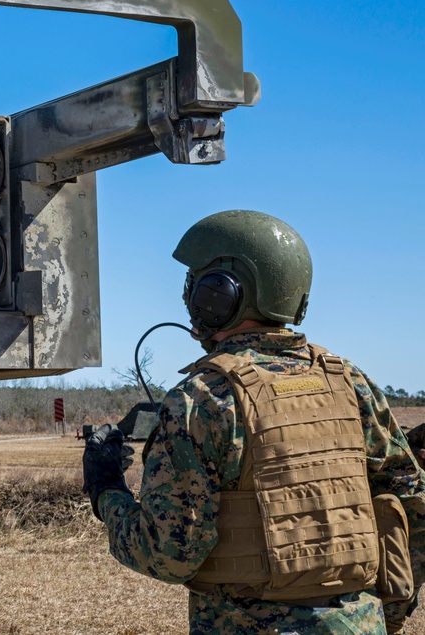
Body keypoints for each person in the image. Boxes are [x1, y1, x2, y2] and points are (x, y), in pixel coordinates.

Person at [83, 210, 425, 634]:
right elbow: (409, 498)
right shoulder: (350, 383)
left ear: (220, 294)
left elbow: (167, 553)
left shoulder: (201, 400)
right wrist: (385, 612)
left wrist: (106, 491)